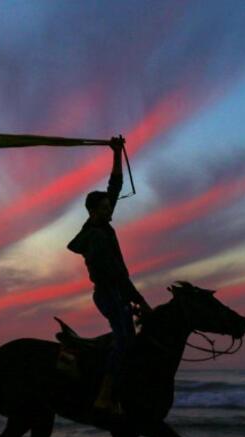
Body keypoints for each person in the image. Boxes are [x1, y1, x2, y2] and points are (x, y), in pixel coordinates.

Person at [67, 136, 152, 415]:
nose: (109, 212)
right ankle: (104, 395)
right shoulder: (95, 236)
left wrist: (116, 152)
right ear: (93, 212)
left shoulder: (100, 223)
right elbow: (115, 275)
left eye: (109, 208)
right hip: (109, 293)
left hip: (117, 291)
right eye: (104, 209)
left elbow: (114, 186)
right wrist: (138, 299)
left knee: (128, 337)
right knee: (125, 339)